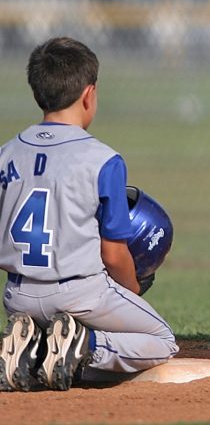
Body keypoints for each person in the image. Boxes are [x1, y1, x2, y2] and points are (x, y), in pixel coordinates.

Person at [0, 37, 178, 392]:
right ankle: (83, 345)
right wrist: (131, 290)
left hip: (17, 295)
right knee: (162, 341)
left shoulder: (6, 154)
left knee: (58, 324)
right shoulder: (102, 159)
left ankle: (34, 349)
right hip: (79, 293)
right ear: (88, 94)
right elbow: (113, 253)